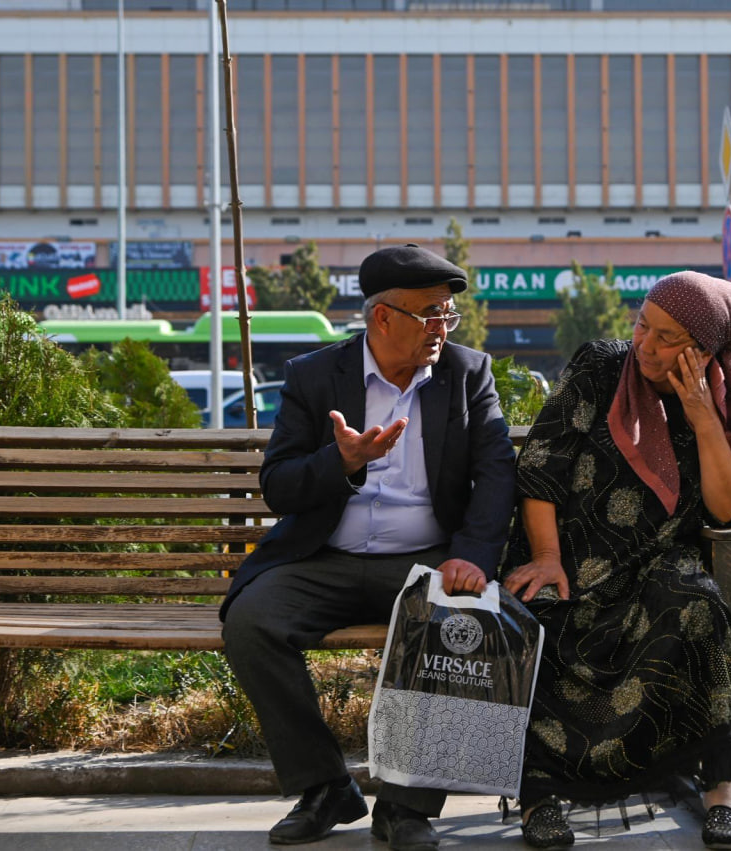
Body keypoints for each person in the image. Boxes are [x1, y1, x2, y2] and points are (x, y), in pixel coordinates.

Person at [220, 244, 517, 851]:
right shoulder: (314, 376)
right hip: (323, 557)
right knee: (251, 622)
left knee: (458, 621)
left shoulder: (467, 374)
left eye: (447, 315)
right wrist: (342, 461)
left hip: (424, 562)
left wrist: (474, 556)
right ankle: (326, 788)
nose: (442, 327)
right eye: (428, 314)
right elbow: (278, 487)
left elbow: (497, 473)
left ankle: (405, 807)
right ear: (382, 318)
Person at [502, 271, 731, 850]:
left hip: (654, 565)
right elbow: (541, 466)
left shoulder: (720, 401)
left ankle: (721, 790)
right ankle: (540, 798)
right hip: (569, 558)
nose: (645, 343)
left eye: (666, 337)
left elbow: (727, 511)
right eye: (643, 323)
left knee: (697, 604)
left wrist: (700, 415)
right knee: (536, 611)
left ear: (704, 349)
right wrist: (546, 556)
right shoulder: (600, 367)